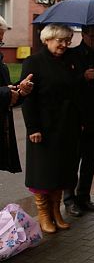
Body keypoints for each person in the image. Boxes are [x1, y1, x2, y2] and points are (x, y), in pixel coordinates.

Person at [21, 24, 83, 234]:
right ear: (47, 39)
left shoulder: (68, 62)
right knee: (43, 173)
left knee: (62, 171)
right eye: (61, 40)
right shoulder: (34, 62)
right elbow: (28, 99)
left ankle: (56, 212)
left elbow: (73, 93)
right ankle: (44, 214)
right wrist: (33, 127)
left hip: (66, 127)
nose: (65, 45)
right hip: (44, 128)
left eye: (68, 41)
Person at [63, 25, 94, 217]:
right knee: (73, 160)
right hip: (76, 118)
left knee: (90, 160)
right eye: (92, 36)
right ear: (83, 35)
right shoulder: (71, 55)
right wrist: (82, 77)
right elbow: (65, 86)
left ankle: (84, 197)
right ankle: (69, 199)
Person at [0, 15, 33, 173]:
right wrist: (7, 93)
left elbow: (7, 95)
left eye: (1, 40)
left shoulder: (2, 64)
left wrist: (20, 92)